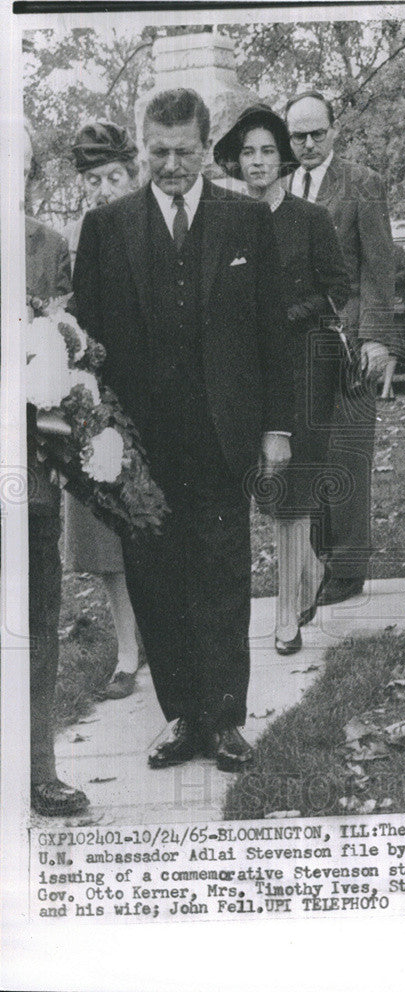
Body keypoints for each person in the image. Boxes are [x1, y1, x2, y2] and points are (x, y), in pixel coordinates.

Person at [72, 89, 293, 772]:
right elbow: (89, 344)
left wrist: (277, 430)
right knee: (156, 581)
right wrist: (96, 435)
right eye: (159, 152)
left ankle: (225, 720)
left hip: (220, 438)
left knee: (222, 578)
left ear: (205, 147)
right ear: (142, 148)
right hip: (139, 448)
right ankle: (181, 716)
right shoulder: (106, 227)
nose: (171, 165)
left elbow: (271, 335)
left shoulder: (246, 220)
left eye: (185, 151)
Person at [213, 105, 350, 654]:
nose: (258, 161)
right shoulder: (220, 222)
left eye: (269, 150)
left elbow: (338, 286)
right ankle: (309, 570)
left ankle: (286, 616)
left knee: (290, 491)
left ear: (283, 158)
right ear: (236, 160)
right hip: (241, 374)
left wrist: (292, 311)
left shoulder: (310, 219)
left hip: (299, 370)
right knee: (260, 484)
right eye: (248, 152)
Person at [284, 90, 398, 607]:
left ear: (334, 130)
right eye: (297, 135)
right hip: (300, 341)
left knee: (349, 449)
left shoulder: (363, 183)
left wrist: (375, 336)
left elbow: (379, 267)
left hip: (351, 338)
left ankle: (349, 565)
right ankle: (318, 556)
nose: (307, 143)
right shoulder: (282, 186)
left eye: (316, 133)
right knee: (310, 452)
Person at [22, 123, 90, 815]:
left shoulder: (48, 245)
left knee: (40, 619)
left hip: (30, 470)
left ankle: (40, 768)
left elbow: (70, 346)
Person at [64, 121, 141, 699]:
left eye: (114, 176)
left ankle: (169, 640)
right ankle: (128, 648)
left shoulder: (153, 225)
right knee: (106, 529)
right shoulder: (81, 234)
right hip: (98, 396)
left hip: (155, 397)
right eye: (93, 180)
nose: (104, 189)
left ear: (132, 173)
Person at [378, 243, 405, 401]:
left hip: (395, 303)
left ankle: (386, 392)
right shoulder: (368, 250)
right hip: (376, 304)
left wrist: (388, 279)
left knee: (393, 346)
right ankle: (389, 390)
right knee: (382, 346)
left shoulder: (396, 250)